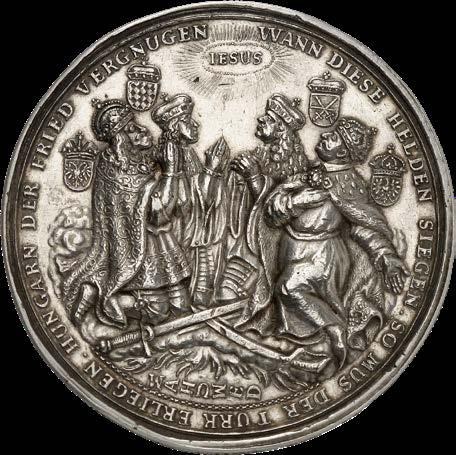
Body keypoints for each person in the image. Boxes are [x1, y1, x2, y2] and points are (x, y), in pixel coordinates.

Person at [261, 117, 409, 367]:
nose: (324, 135)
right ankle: (310, 350)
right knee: (290, 302)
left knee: (289, 288)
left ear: (342, 152)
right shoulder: (310, 174)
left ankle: (335, 330)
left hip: (323, 256)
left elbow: (365, 226)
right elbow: (272, 212)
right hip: (293, 250)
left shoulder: (349, 185)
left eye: (333, 137)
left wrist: (387, 258)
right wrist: (295, 202)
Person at [217, 94, 307, 317]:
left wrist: (254, 177)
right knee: (224, 293)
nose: (260, 120)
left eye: (268, 119)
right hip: (242, 242)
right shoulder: (259, 154)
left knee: (231, 294)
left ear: (281, 129)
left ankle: (258, 292)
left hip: (271, 248)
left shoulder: (295, 165)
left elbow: (277, 213)